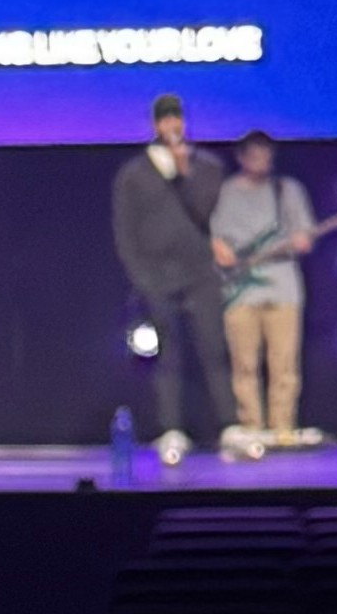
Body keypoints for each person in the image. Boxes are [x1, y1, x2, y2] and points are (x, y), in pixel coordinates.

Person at [107, 93, 234, 464]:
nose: (171, 126)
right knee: (168, 353)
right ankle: (171, 428)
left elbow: (210, 213)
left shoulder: (207, 167)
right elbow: (125, 230)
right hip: (157, 275)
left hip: (202, 273)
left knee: (213, 348)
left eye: (176, 118)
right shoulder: (134, 174)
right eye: (164, 120)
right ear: (155, 125)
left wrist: (184, 172)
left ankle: (228, 425)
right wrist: (141, 276)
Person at [209, 128, 318, 453]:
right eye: (254, 155)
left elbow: (305, 235)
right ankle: (251, 427)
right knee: (244, 364)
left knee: (284, 363)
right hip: (241, 291)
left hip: (283, 289)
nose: (262, 161)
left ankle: (282, 427)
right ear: (241, 158)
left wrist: (302, 239)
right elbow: (215, 237)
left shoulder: (287, 190)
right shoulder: (226, 192)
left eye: (266, 154)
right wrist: (221, 250)